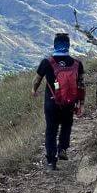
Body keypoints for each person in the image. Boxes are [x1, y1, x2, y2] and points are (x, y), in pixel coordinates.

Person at [32, 33, 85, 171]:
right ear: (68, 45)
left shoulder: (47, 62)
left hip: (52, 103)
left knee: (51, 130)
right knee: (67, 125)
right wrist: (81, 104)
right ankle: (62, 148)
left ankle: (51, 161)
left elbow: (37, 80)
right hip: (69, 102)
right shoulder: (77, 64)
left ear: (55, 45)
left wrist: (33, 90)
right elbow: (81, 85)